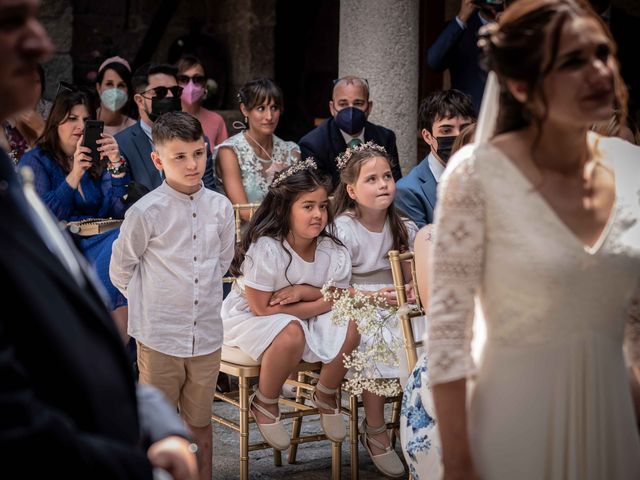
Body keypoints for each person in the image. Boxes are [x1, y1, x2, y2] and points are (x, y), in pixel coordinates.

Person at [426, 1, 640, 479]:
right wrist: (459, 463)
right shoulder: (477, 175)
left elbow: (634, 324)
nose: (600, 72)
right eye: (572, 62)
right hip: (513, 427)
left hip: (614, 428)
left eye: (602, 53)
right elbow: (447, 335)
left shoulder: (632, 169)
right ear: (521, 85)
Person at [0, 0, 197, 477]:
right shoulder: (36, 167)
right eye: (11, 21)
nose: (41, 41)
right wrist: (137, 466)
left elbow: (114, 209)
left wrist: (146, 416)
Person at [110, 111, 234, 480]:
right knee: (160, 431)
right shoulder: (145, 212)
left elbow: (222, 261)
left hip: (207, 336)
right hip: (160, 336)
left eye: (198, 153)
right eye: (179, 156)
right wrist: (152, 306)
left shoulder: (221, 207)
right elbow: (121, 269)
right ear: (157, 160)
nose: (192, 164)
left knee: (200, 426)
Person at [221, 160, 360, 451]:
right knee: (291, 331)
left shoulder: (331, 251)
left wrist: (304, 291)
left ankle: (325, 392)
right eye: (307, 206)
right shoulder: (268, 248)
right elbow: (261, 309)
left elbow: (337, 296)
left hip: (301, 313)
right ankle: (265, 401)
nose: (318, 215)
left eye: (323, 206)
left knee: (353, 320)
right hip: (253, 317)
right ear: (286, 209)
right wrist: (318, 303)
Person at [332, 142, 420, 478]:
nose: (383, 184)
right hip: (356, 304)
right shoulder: (343, 228)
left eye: (387, 176)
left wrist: (410, 289)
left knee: (421, 332)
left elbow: (411, 277)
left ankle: (419, 416)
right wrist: (372, 298)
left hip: (395, 300)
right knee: (378, 337)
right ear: (352, 190)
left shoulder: (403, 227)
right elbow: (336, 287)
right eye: (372, 179)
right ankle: (376, 429)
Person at [18, 88, 129, 336]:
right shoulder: (37, 160)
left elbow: (118, 209)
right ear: (55, 123)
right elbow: (42, 215)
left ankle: (120, 355)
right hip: (64, 246)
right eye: (71, 118)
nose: (80, 126)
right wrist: (75, 173)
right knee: (121, 246)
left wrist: (116, 164)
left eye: (86, 120)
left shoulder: (97, 161)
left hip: (102, 239)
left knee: (127, 239)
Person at [115, 63, 219, 194]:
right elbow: (121, 200)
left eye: (175, 91)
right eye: (160, 92)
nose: (170, 96)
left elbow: (209, 192)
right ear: (140, 100)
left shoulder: (198, 141)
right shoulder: (122, 144)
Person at [213, 77, 299, 219]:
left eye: (274, 108)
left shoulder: (292, 151)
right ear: (245, 110)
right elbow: (244, 212)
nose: (269, 116)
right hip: (245, 235)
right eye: (261, 108)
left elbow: (299, 204)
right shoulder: (229, 152)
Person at [299, 76, 402, 190]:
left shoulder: (385, 138)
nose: (351, 111)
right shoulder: (313, 145)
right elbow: (320, 193)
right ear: (332, 108)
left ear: (369, 107)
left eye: (358, 103)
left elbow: (394, 183)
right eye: (343, 104)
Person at [395, 89, 475, 227]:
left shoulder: (487, 174)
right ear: (427, 136)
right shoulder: (408, 191)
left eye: (464, 128)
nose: (458, 136)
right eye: (446, 130)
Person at [176, 54, 228, 148]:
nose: (191, 86)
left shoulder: (216, 121)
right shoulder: (164, 119)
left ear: (205, 84)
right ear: (175, 83)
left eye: (197, 79)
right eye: (183, 79)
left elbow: (223, 159)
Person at [0, 64, 48, 164]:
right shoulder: (4, 125)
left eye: (34, 82)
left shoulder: (55, 115)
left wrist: (42, 131)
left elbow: (62, 168)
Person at [95, 56, 136, 136]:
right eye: (109, 84)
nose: (115, 91)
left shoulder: (134, 128)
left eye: (121, 85)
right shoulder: (85, 122)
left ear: (128, 91)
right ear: (98, 87)